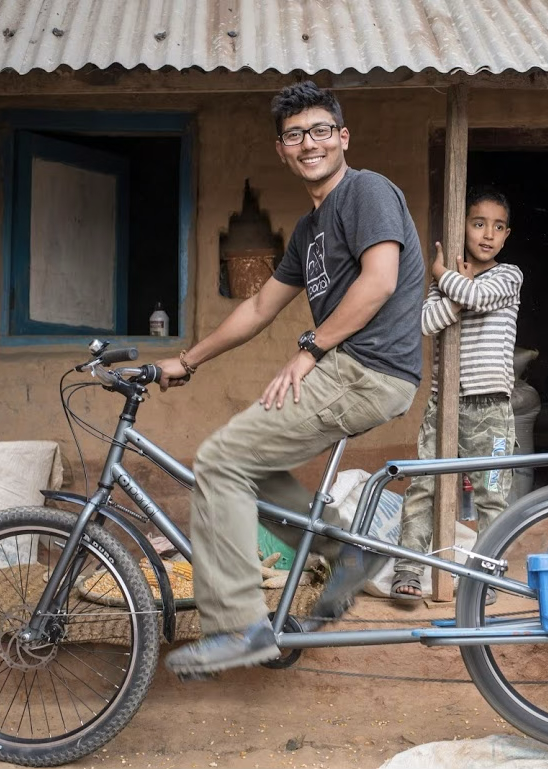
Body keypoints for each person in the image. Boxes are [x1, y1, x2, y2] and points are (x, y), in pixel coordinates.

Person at [156, 81, 425, 676]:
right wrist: (186, 360)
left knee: (222, 460)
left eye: (321, 130)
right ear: (281, 149)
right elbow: (256, 309)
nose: (311, 143)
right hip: (353, 368)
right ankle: (344, 554)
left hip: (368, 367)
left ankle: (237, 628)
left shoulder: (366, 191)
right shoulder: (308, 233)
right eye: (296, 135)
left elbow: (380, 281)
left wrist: (310, 350)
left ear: (342, 137)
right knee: (250, 467)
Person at [391, 187, 523, 604]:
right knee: (424, 487)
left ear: (506, 235)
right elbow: (427, 322)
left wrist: (445, 277)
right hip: (443, 403)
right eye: (478, 223)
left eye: (497, 227)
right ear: (462, 227)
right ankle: (408, 568)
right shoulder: (445, 285)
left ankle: (484, 578)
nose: (487, 234)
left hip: (493, 407)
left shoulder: (509, 275)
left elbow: (477, 295)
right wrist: (451, 285)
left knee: (492, 494)